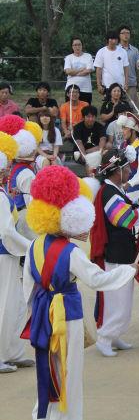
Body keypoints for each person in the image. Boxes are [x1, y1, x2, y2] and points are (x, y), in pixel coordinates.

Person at [24, 164, 137, 420]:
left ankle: (43, 415)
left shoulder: (33, 246)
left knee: (48, 366)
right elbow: (97, 279)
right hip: (67, 315)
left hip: (43, 313)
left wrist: (35, 315)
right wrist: (128, 270)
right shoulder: (71, 252)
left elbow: (27, 291)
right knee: (69, 371)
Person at [89, 150, 139, 359]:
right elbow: (123, 218)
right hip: (114, 254)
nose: (128, 171)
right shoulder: (108, 192)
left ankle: (114, 335)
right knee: (115, 298)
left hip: (121, 252)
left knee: (122, 298)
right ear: (116, 171)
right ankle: (105, 337)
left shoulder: (114, 190)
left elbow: (126, 211)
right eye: (125, 168)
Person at [0, 134, 32, 375]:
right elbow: (7, 232)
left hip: (8, 254)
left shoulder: (3, 193)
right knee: (5, 304)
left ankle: (13, 351)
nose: (9, 169)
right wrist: (30, 247)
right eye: (7, 166)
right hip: (4, 255)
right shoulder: (0, 196)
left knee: (16, 303)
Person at [121, 117, 139, 202]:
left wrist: (129, 184)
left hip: (138, 190)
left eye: (125, 128)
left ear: (133, 131)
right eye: (122, 128)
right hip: (124, 188)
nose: (122, 131)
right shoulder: (122, 145)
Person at [73, 106, 106, 174]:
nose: (91, 119)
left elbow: (102, 140)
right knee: (89, 160)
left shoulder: (100, 127)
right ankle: (91, 180)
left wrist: (99, 151)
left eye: (93, 117)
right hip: (81, 152)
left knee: (105, 149)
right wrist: (84, 155)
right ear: (83, 117)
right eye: (88, 116)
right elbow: (79, 143)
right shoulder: (77, 128)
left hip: (96, 151)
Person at [94, 31, 129, 96]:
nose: (113, 41)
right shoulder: (101, 52)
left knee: (121, 105)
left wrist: (126, 83)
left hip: (120, 85)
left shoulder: (123, 52)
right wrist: (99, 85)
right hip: (107, 85)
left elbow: (126, 68)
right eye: (111, 39)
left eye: (115, 39)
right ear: (108, 40)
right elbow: (98, 69)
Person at [64, 36, 94, 104]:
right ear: (72, 46)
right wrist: (81, 69)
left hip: (86, 89)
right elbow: (68, 71)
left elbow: (89, 70)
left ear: (82, 46)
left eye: (79, 44)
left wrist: (73, 73)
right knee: (71, 111)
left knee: (86, 112)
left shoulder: (88, 56)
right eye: (75, 45)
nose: (77, 47)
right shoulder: (68, 58)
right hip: (71, 90)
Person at [117, 25, 139, 107]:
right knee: (118, 106)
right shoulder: (115, 50)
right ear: (119, 35)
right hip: (117, 83)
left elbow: (138, 67)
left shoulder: (135, 50)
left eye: (128, 33)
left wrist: (138, 81)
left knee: (133, 106)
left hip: (131, 83)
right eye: (123, 33)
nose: (126, 35)